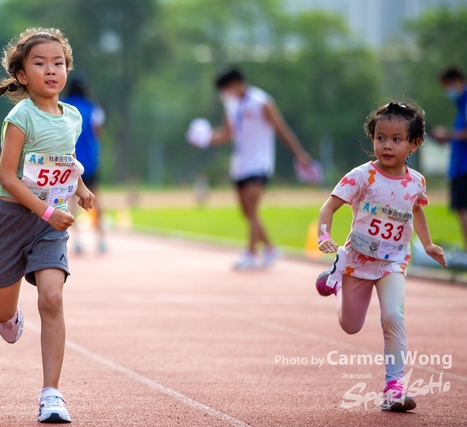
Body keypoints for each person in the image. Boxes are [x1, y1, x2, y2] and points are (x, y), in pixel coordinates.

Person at [0, 27, 94, 424]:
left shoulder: (73, 116)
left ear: (66, 70)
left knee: (52, 299)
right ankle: (7, 314)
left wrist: (80, 187)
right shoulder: (20, 116)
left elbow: (65, 161)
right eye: (40, 63)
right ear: (23, 75)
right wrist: (45, 212)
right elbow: (8, 177)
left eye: (58, 63)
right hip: (13, 218)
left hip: (51, 223)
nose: (51, 70)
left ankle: (52, 395)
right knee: (2, 312)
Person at [315, 101, 446, 412]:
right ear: (372, 139)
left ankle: (394, 386)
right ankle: (334, 279)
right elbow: (329, 207)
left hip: (393, 263)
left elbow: (417, 210)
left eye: (396, 139)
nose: (387, 145)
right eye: (380, 138)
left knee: (393, 316)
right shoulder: (362, 176)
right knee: (350, 326)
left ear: (415, 144)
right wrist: (324, 236)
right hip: (357, 261)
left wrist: (427, 245)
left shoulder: (417, 182)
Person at [187, 67, 312, 269]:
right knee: (247, 212)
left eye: (226, 88)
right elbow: (227, 134)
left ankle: (251, 253)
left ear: (237, 83)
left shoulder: (261, 102)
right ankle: (271, 248)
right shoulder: (231, 104)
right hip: (240, 163)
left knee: (252, 209)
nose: (224, 94)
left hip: (259, 162)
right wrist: (204, 138)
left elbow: (281, 129)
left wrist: (299, 154)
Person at [61, 75, 106, 254]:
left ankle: (76, 240)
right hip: (90, 160)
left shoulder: (62, 106)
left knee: (71, 201)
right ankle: (100, 239)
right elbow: (98, 133)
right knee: (96, 199)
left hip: (68, 160)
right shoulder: (94, 108)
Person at [430, 67, 467, 264]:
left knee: (463, 209)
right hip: (460, 165)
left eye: (448, 87)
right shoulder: (461, 105)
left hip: (464, 167)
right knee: (461, 210)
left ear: (457, 81)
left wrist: (448, 133)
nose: (448, 92)